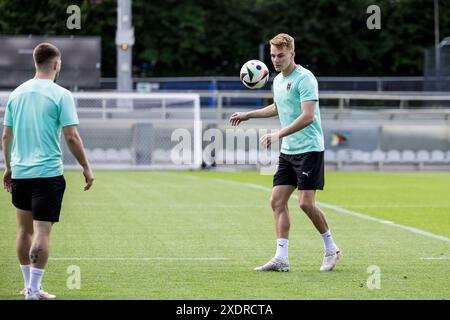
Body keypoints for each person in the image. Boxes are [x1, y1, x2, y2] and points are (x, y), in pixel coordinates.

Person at [230, 33, 341, 272]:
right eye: (272, 55)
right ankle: (281, 258)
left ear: (292, 54)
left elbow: (307, 116)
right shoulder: (278, 80)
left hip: (309, 150)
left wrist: (278, 134)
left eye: (280, 55)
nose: (276, 60)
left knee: (305, 204)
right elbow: (278, 106)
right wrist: (248, 114)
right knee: (277, 201)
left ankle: (332, 249)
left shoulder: (305, 79)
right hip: (288, 152)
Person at [2, 42, 94, 299]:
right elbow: (72, 136)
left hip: (20, 172)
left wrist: (9, 167)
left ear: (35, 63)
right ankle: (33, 289)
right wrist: (86, 167)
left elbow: (6, 135)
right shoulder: (61, 94)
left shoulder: (16, 94)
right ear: (56, 64)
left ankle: (30, 287)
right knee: (41, 232)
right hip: (47, 174)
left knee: (24, 231)